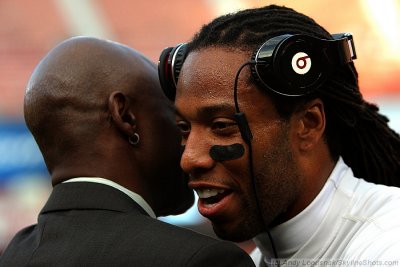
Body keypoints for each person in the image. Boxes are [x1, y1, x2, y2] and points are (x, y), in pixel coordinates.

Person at [158, 4, 400, 266]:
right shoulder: (261, 256)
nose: (190, 160)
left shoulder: (387, 248)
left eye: (221, 126)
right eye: (184, 128)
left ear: (308, 124)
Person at [0, 36, 256, 267]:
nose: (189, 149)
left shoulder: (15, 255)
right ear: (125, 116)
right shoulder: (200, 260)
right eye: (176, 120)